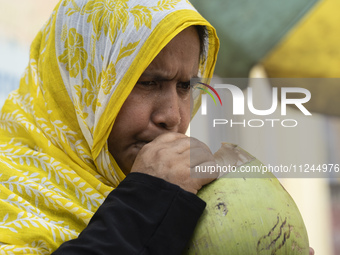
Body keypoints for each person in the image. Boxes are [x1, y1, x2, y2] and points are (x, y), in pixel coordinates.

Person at [0, 0, 219, 254]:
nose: (173, 117)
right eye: (148, 82)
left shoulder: (185, 199)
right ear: (81, 85)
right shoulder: (8, 192)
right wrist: (146, 204)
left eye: (184, 86)